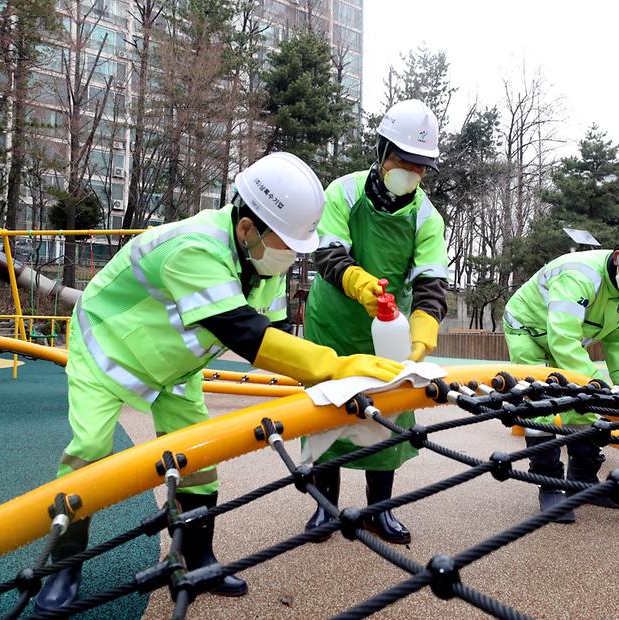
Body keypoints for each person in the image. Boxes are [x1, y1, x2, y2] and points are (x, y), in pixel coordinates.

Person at [34, 152, 405, 612]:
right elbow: (246, 335)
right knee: (90, 449)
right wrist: (338, 366)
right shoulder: (197, 247)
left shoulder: (264, 264)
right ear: (247, 227)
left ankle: (198, 559)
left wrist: (328, 382)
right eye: (284, 242)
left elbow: (274, 339)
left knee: (199, 455)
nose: (290, 254)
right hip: (109, 348)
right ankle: (61, 568)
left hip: (176, 365)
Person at [302, 99, 449, 544]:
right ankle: (325, 509)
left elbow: (430, 284)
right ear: (383, 151)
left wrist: (422, 332)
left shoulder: (426, 216)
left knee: (388, 414)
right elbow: (327, 252)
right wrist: (360, 283)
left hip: (390, 328)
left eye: (421, 167)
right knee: (327, 413)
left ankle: (377, 511)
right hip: (333, 320)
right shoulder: (343, 192)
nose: (412, 173)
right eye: (405, 161)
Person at [503, 226, 619, 523]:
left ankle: (582, 482)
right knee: (541, 403)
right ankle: (551, 486)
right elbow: (563, 340)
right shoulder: (580, 275)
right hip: (528, 332)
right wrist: (596, 385)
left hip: (565, 338)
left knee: (586, 410)